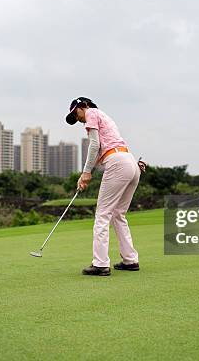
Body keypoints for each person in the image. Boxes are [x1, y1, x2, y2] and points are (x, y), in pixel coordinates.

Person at [65, 97, 146, 276]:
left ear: (83, 106)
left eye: (76, 113)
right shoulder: (106, 117)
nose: (78, 119)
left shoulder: (92, 112)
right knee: (118, 214)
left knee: (103, 214)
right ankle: (130, 260)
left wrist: (86, 172)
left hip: (118, 162)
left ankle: (100, 264)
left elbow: (95, 144)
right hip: (130, 162)